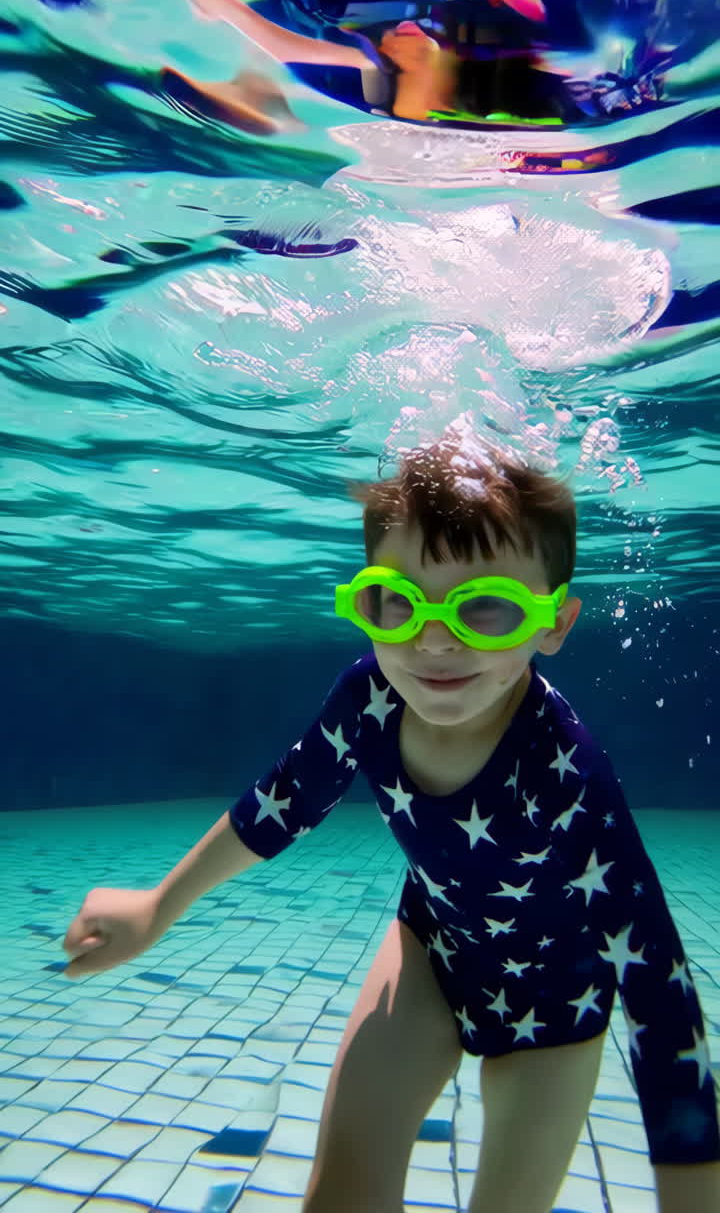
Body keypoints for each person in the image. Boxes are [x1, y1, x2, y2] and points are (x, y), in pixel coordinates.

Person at [63, 431, 720, 1213]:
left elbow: (657, 989)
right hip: (429, 956)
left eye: (486, 607)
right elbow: (282, 802)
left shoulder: (566, 773)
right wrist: (156, 908)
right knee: (340, 1196)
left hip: (556, 1011)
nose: (433, 639)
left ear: (554, 623)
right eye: (395, 602)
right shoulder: (369, 697)